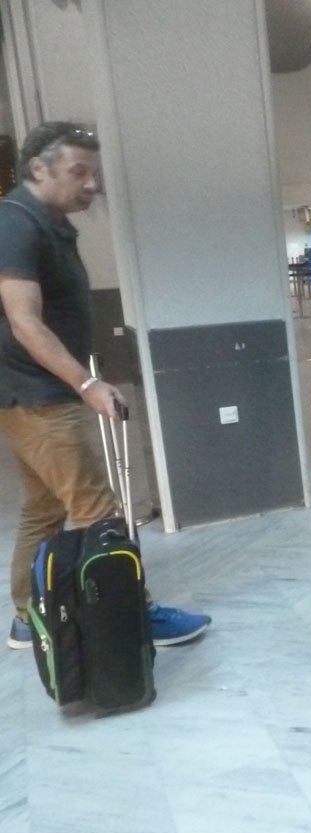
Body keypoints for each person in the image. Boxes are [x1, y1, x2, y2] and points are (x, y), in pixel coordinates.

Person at [0, 121, 211, 649]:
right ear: (38, 169)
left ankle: (27, 616)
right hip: (37, 398)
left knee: (45, 508)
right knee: (100, 511)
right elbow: (25, 322)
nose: (92, 185)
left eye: (93, 173)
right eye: (79, 172)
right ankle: (134, 614)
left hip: (32, 395)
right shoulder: (16, 224)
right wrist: (87, 381)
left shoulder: (46, 220)